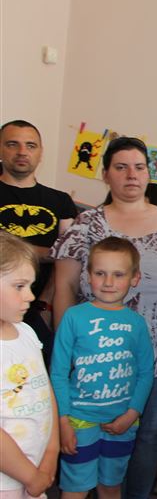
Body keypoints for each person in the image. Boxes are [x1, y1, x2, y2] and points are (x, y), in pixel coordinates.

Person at [51, 136, 157, 499]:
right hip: (97, 355)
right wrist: (68, 350)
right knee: (93, 435)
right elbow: (64, 289)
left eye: (139, 167)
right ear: (106, 175)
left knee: (147, 436)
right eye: (121, 167)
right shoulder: (85, 225)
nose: (131, 175)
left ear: (149, 173)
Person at [50, 237, 155, 499]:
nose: (108, 282)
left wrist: (131, 414)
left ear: (134, 278)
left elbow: (146, 373)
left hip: (121, 422)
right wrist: (62, 421)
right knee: (75, 490)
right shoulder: (73, 317)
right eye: (100, 273)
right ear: (88, 276)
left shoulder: (136, 323)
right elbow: (58, 373)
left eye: (118, 274)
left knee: (110, 487)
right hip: (78, 420)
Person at [0, 120, 78, 364]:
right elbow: (58, 252)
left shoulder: (60, 201)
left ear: (41, 152)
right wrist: (48, 252)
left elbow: (68, 258)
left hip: (39, 309)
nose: (22, 152)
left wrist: (45, 304)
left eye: (30, 145)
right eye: (13, 144)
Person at [0, 232, 59, 499]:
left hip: (35, 474)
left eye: (31, 286)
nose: (31, 296)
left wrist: (50, 454)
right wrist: (30, 476)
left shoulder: (26, 332)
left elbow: (45, 394)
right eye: (19, 286)